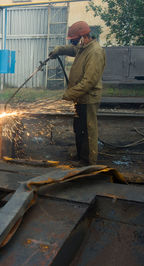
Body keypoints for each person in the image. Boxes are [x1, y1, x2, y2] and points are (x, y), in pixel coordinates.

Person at [49, 21, 106, 165]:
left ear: (83, 36)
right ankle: (81, 156)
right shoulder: (83, 47)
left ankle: (88, 161)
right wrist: (59, 50)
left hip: (88, 98)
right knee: (79, 128)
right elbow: (72, 50)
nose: (74, 43)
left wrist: (69, 94)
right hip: (79, 97)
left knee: (87, 130)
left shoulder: (95, 52)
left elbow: (89, 82)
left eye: (74, 40)